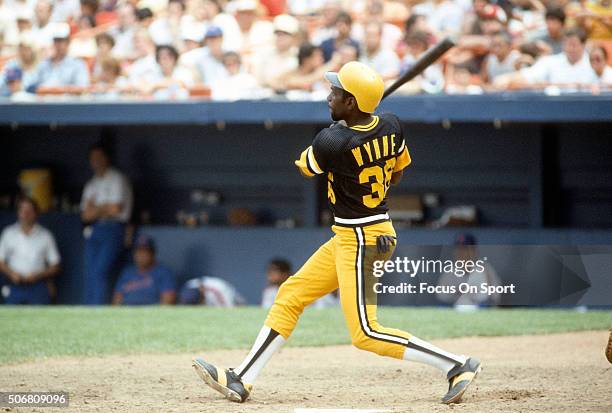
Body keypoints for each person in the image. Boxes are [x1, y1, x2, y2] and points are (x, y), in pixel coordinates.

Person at [192, 61, 481, 405]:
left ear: (352, 103)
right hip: (356, 233)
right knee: (291, 294)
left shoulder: (332, 140)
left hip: (364, 238)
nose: (329, 96)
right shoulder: (391, 125)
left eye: (337, 93)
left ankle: (457, 365)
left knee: (366, 333)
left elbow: (305, 167)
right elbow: (398, 173)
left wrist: (332, 142)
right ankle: (242, 378)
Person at [80, 142, 133, 305]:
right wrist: (104, 208)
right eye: (92, 158)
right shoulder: (92, 183)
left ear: (106, 158)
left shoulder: (117, 178)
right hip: (95, 229)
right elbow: (85, 215)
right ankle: (87, 312)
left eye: (99, 157)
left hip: (114, 228)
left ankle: (97, 311)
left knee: (100, 271)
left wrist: (95, 207)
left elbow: (116, 209)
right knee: (90, 273)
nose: (96, 161)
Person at [0, 196, 60, 305]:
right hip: (15, 285)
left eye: (29, 210)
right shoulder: (8, 233)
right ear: (18, 212)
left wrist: (38, 275)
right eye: (23, 210)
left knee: (42, 318)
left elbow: (55, 266)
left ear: (36, 213)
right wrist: (12, 274)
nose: (26, 214)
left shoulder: (45, 235)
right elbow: (1, 261)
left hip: (38, 285)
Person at [436, 233, 502, 310]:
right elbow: (441, 296)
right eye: (459, 249)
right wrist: (457, 291)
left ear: (474, 251)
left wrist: (471, 293)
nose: (462, 253)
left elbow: (495, 297)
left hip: (480, 308)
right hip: (455, 309)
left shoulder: (485, 269)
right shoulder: (450, 271)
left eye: (466, 249)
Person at [112, 235, 176, 305]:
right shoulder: (127, 272)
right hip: (127, 312)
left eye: (144, 252)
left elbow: (167, 301)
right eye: (138, 252)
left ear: (153, 254)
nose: (141, 255)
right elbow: (117, 298)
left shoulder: (163, 273)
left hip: (151, 312)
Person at [31, 22, 90, 90]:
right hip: (44, 99)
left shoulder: (78, 64)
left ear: (68, 42)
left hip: (67, 99)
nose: (59, 45)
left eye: (62, 41)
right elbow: (32, 86)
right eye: (56, 41)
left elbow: (81, 88)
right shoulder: (44, 64)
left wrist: (59, 90)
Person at [179, 275, 245, 306]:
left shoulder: (218, 288)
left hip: (235, 302)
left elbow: (229, 311)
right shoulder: (189, 286)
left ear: (202, 290)